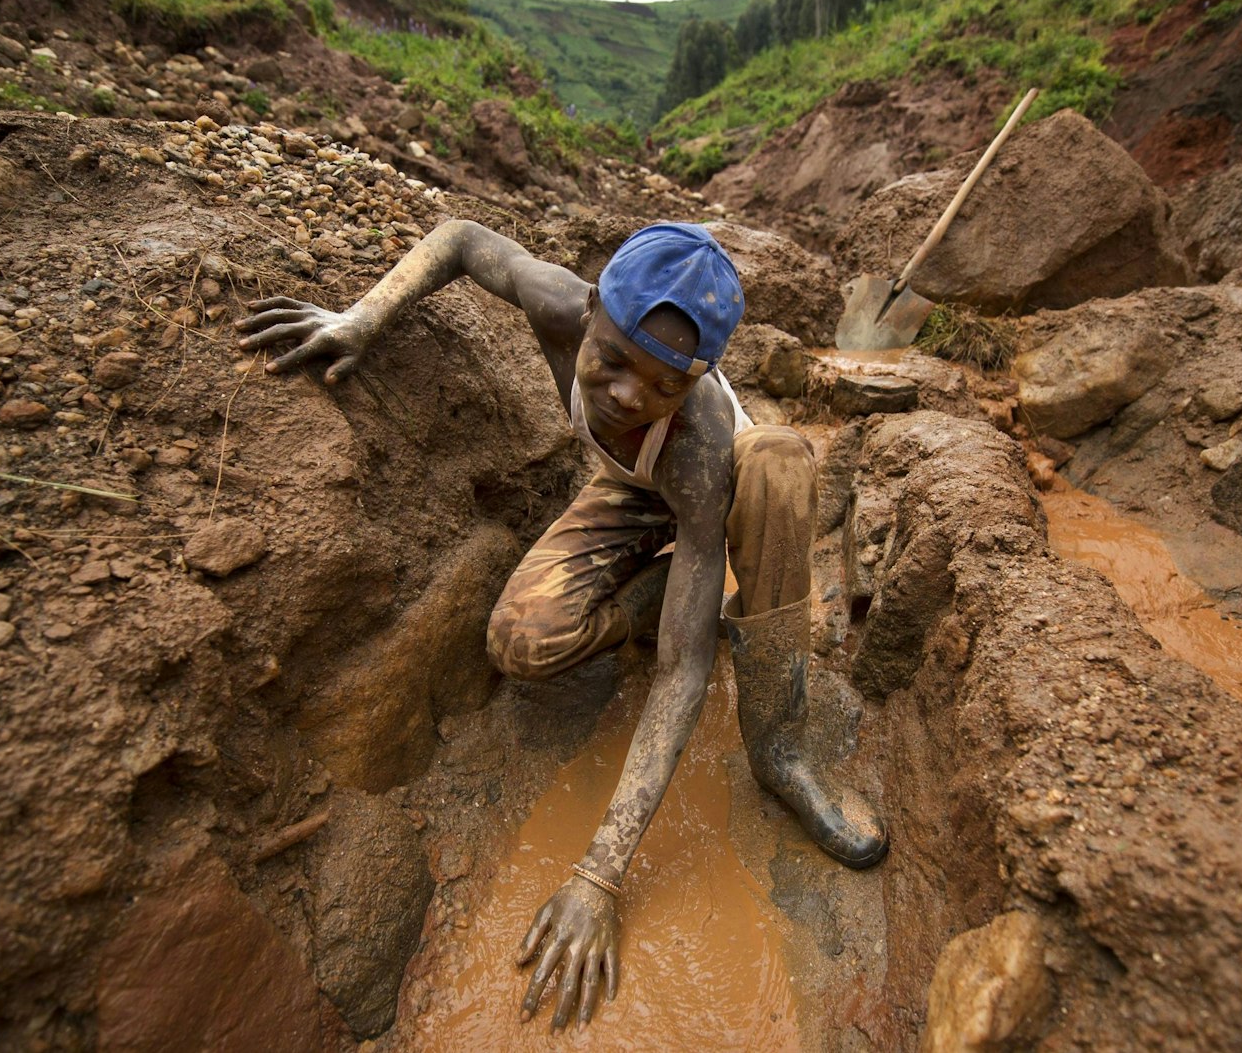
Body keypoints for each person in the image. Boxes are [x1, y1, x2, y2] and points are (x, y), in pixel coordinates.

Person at [236, 219, 887, 1029]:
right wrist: (362, 317)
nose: (629, 396)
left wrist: (600, 874)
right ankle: (656, 598)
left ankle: (782, 749)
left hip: (715, 501)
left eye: (664, 385)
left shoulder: (699, 442)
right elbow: (462, 240)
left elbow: (682, 670)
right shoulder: (555, 302)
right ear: (590, 313)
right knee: (521, 639)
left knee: (778, 459)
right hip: (629, 492)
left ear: (695, 382)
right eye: (613, 360)